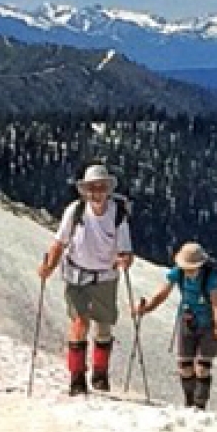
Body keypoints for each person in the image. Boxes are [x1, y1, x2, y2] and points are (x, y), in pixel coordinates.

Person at [39, 164, 134, 395]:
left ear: (107, 189)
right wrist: (49, 266)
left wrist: (125, 260)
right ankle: (77, 377)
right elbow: (59, 242)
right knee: (79, 323)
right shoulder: (75, 211)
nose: (97, 192)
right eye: (92, 188)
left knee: (103, 327)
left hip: (105, 276)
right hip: (77, 275)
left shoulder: (118, 214)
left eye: (101, 187)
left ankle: (99, 373)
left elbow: (126, 252)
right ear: (85, 190)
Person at [134, 242, 217, 409]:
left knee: (202, 366)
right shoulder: (178, 273)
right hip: (187, 321)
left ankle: (199, 405)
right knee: (185, 366)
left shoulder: (211, 277)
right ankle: (190, 401)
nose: (188, 271)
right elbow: (162, 293)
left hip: (208, 325)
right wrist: (147, 308)